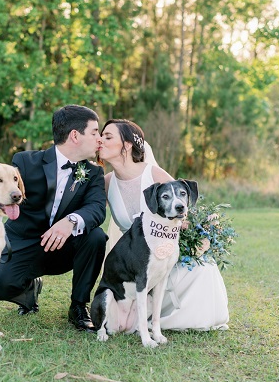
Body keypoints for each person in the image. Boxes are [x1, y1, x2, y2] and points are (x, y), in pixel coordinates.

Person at [97, 119, 229, 331]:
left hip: (164, 253)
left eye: (108, 136)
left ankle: (170, 317)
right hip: (134, 262)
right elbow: (92, 213)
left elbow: (185, 211)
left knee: (201, 269)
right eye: (100, 136)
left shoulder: (153, 174)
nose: (100, 140)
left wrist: (203, 234)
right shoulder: (107, 182)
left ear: (127, 144)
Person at [0, 105, 107, 332]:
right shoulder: (24, 162)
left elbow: (96, 208)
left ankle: (78, 305)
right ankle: (29, 291)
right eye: (94, 132)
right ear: (75, 135)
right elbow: (1, 189)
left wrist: (70, 221)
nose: (99, 139)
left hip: (65, 247)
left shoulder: (93, 173)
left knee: (96, 236)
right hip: (24, 243)